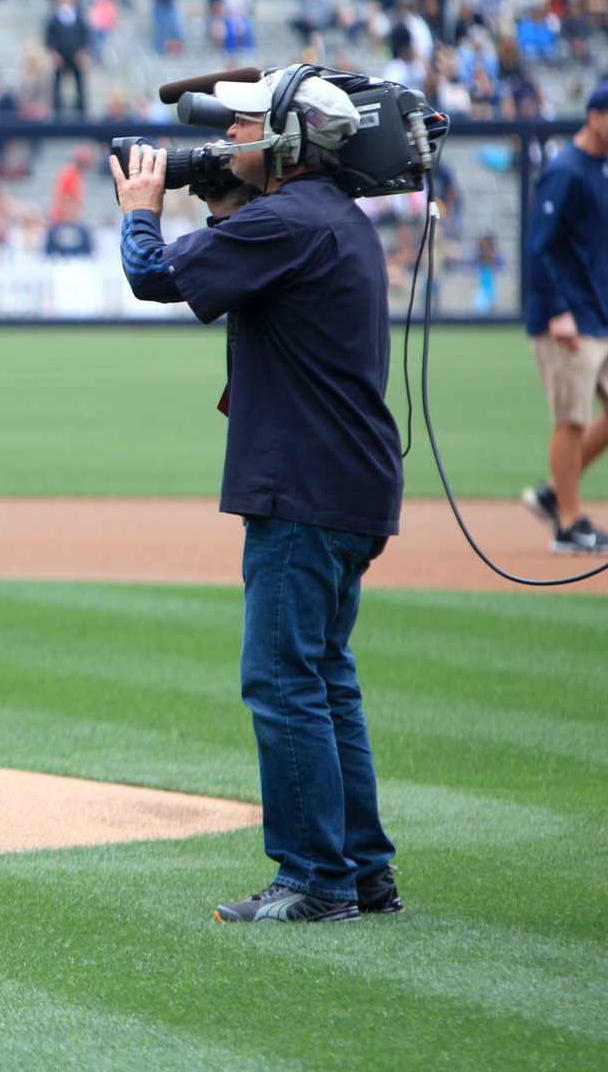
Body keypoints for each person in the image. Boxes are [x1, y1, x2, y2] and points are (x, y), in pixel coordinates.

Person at [112, 69, 403, 924]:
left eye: (244, 130)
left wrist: (141, 204)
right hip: (349, 480)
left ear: (283, 140)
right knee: (325, 676)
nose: (229, 141)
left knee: (281, 677)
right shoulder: (328, 217)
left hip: (303, 485)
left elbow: (153, 275)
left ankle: (316, 877)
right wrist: (222, 192)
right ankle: (362, 869)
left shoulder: (287, 219)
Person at [520, 78, 608, 555]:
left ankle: (556, 490)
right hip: (568, 314)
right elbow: (540, 245)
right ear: (595, 116)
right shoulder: (567, 169)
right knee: (571, 418)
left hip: (604, 312)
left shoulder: (602, 165)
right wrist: (557, 311)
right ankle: (569, 525)